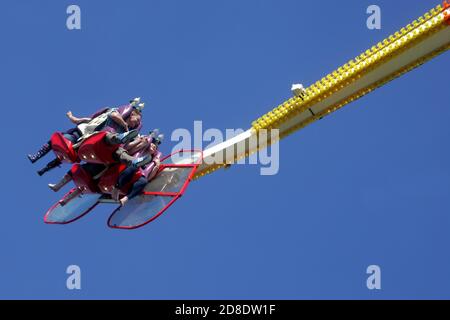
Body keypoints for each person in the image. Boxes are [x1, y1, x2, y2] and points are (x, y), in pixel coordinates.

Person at [28, 98, 144, 175]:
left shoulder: (125, 130)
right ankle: (37, 157)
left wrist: (139, 140)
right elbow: (92, 119)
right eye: (136, 120)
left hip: (93, 141)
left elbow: (126, 144)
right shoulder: (114, 112)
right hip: (82, 132)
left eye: (137, 123)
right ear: (131, 114)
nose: (135, 124)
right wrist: (74, 118)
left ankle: (45, 169)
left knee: (66, 155)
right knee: (59, 143)